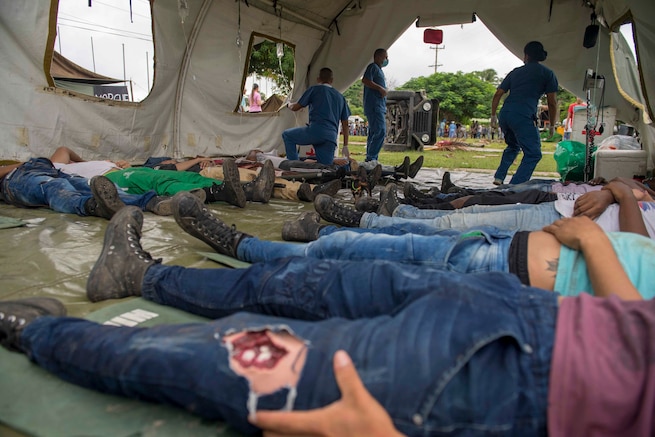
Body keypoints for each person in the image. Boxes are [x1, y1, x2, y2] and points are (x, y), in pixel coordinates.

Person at [1, 205, 653, 436]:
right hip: (514, 304)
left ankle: (37, 332)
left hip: (491, 381)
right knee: (304, 279)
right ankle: (139, 276)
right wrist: (596, 244)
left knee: (214, 355)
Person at [170, 191, 654, 298]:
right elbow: (635, 247)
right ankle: (332, 227)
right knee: (388, 241)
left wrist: (591, 235)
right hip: (513, 245)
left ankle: (242, 246)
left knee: (347, 265)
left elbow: (631, 331)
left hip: (508, 273)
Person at [316, 179, 655, 241]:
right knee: (463, 218)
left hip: (572, 233)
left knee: (452, 232)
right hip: (562, 208)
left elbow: (638, 247)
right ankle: (398, 213)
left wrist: (621, 195)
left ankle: (365, 221)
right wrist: (613, 191)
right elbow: (622, 181)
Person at [49, 147, 271, 207]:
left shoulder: (77, 167)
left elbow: (70, 153)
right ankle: (219, 193)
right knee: (162, 182)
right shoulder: (57, 168)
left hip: (122, 171)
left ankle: (248, 190)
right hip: (113, 179)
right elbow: (63, 149)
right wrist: (78, 163)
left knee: (188, 178)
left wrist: (84, 162)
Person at [0, 157, 167, 218]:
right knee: (55, 187)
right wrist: (23, 164)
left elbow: (64, 150)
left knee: (88, 183)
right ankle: (93, 206)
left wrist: (83, 162)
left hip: (51, 168)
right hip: (15, 179)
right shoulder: (12, 174)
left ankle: (153, 202)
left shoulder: (57, 161)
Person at [491, 41, 558, 185]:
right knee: (533, 154)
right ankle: (515, 186)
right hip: (523, 115)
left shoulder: (515, 72)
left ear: (526, 55)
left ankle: (499, 177)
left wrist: (493, 116)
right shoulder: (547, 73)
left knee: (513, 146)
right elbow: (552, 102)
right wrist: (552, 125)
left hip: (506, 113)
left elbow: (498, 94)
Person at [282, 68, 351, 166]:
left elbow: (295, 107)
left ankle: (294, 165)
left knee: (287, 135)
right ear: (332, 81)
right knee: (325, 167)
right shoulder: (340, 97)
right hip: (331, 137)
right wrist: (345, 145)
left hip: (316, 131)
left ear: (318, 79)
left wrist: (288, 103)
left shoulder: (314, 90)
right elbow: (345, 124)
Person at [361, 48, 388, 162]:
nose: (386, 59)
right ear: (377, 57)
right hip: (374, 106)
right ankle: (371, 158)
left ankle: (371, 158)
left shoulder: (379, 70)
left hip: (379, 105)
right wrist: (380, 88)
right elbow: (365, 80)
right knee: (380, 131)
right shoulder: (373, 67)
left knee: (373, 132)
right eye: (385, 57)